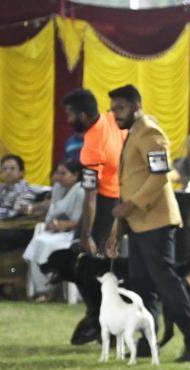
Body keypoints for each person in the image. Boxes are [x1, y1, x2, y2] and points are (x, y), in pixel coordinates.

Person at [104, 84, 190, 363]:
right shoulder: (132, 134)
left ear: (136, 105)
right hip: (138, 223)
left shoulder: (149, 132)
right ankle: (148, 338)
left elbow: (161, 175)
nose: (116, 114)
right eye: (113, 109)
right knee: (141, 284)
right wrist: (120, 226)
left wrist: (132, 204)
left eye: (121, 108)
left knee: (166, 284)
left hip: (156, 221)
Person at [62, 88, 126, 255]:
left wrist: (86, 235)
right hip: (121, 197)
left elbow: (90, 196)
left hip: (104, 204)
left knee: (84, 259)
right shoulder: (111, 118)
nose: (68, 120)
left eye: (70, 115)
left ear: (83, 116)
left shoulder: (91, 147)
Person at [22, 159, 86, 299]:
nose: (58, 177)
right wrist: (53, 224)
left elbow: (82, 221)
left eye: (63, 173)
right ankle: (41, 291)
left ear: (75, 175)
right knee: (38, 242)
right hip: (54, 232)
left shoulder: (81, 191)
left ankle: (47, 288)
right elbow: (52, 213)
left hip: (73, 235)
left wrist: (64, 225)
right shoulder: (58, 188)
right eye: (58, 173)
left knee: (46, 244)